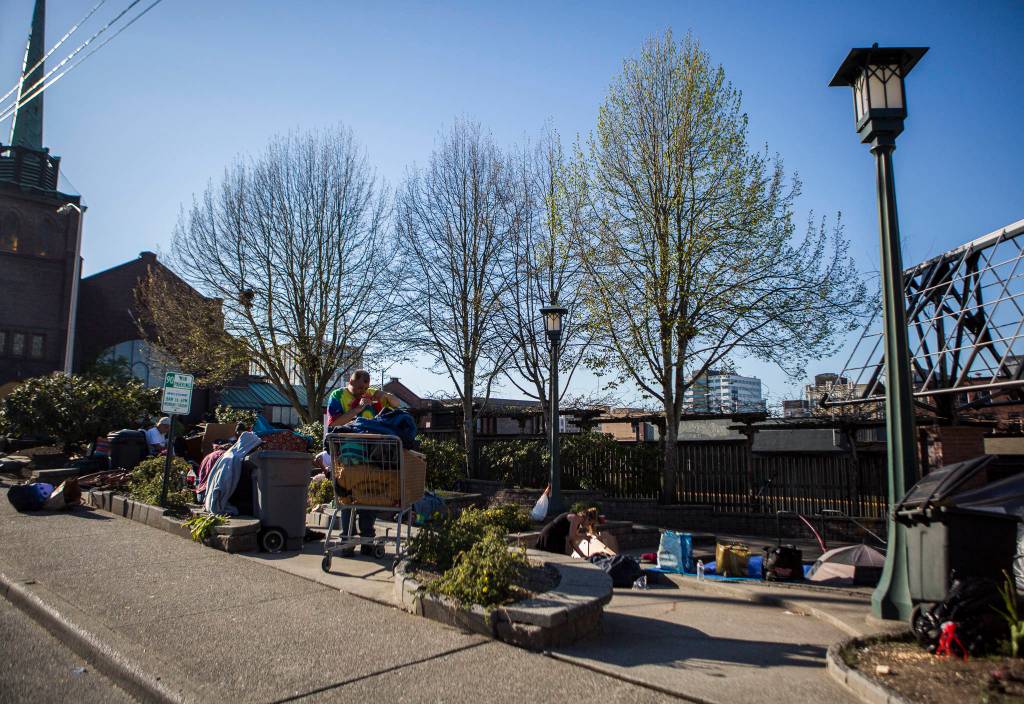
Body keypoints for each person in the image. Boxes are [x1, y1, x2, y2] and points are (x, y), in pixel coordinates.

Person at [324, 370, 402, 556]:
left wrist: (385, 395)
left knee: (369, 492)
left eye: (366, 387)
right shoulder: (338, 395)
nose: (362, 390)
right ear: (350, 381)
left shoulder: (371, 394)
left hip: (372, 454)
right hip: (348, 454)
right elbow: (333, 424)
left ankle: (368, 539)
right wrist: (357, 409)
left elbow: (396, 404)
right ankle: (347, 539)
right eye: (359, 387)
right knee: (348, 495)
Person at [535, 506, 616, 557]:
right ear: (587, 518)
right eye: (589, 523)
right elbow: (572, 538)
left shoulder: (577, 523)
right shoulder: (575, 518)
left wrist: (582, 555)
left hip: (558, 538)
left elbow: (572, 541)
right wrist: (584, 537)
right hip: (550, 536)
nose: (588, 526)